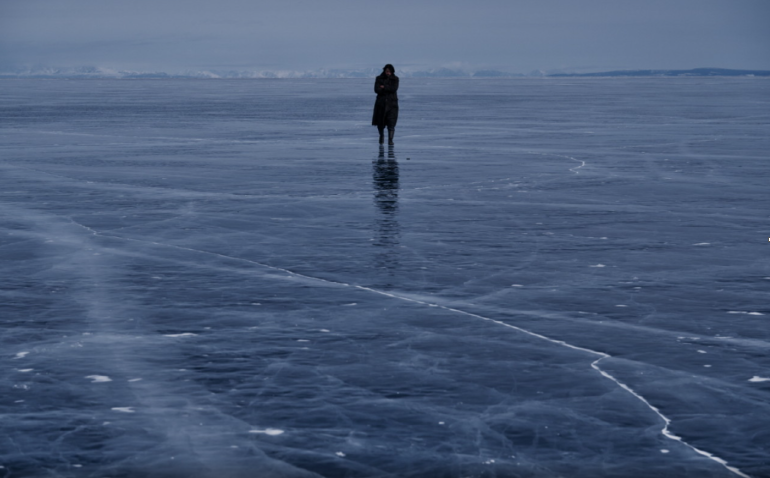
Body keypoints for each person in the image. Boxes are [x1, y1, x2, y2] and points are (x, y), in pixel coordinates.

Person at [372, 64, 399, 145]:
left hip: (392, 104)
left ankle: (390, 140)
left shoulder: (395, 79)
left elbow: (394, 89)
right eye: (387, 71)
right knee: (380, 123)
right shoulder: (379, 78)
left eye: (389, 71)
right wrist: (387, 88)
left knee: (391, 122)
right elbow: (376, 90)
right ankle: (381, 137)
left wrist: (384, 87)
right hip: (381, 104)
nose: (388, 73)